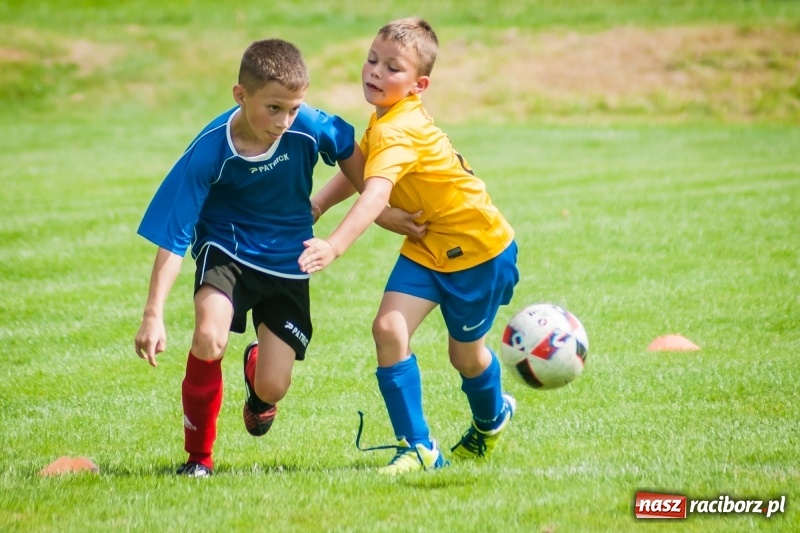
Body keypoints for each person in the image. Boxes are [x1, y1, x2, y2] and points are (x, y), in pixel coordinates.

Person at [134, 38, 367, 477]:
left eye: (294, 108)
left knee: (274, 387)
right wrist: (153, 313)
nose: (284, 121)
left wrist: (365, 212)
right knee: (209, 336)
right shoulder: (209, 149)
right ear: (240, 95)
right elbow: (174, 237)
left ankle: (259, 372)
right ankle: (198, 460)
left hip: (288, 262)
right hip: (227, 251)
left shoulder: (310, 126)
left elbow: (362, 172)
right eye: (274, 108)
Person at [299, 17, 519, 475]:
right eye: (372, 60)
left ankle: (491, 419)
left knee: (466, 356)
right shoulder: (386, 118)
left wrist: (335, 245)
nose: (375, 72)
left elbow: (375, 192)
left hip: (479, 252)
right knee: (389, 330)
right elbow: (359, 167)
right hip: (427, 244)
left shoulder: (399, 130)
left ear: (418, 85)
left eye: (392, 68)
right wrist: (317, 205)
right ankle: (418, 448)